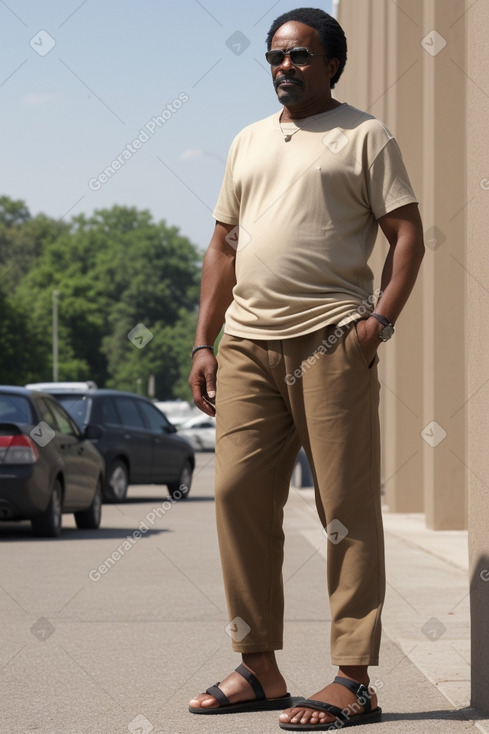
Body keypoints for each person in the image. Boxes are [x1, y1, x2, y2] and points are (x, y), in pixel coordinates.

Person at [188, 7, 424, 731]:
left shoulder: (364, 135)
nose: (282, 67)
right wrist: (204, 342)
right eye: (273, 56)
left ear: (331, 64)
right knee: (234, 496)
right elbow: (222, 247)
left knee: (343, 511)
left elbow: (407, 234)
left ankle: (352, 680)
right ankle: (258, 667)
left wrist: (377, 323)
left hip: (330, 343)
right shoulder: (248, 141)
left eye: (297, 56)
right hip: (247, 346)